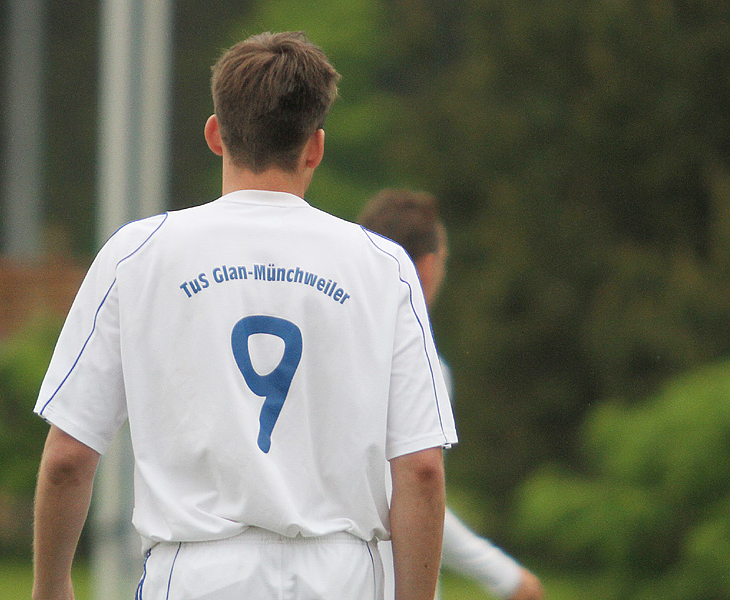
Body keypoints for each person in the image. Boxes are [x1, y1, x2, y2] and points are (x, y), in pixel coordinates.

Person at [31, 32, 457, 600]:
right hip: (342, 575)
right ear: (315, 147)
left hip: (196, 573)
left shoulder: (139, 253)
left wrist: (50, 589)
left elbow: (68, 457)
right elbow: (422, 470)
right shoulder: (384, 268)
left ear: (215, 134)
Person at [358, 189, 545, 600]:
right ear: (427, 267)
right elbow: (416, 483)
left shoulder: (336, 350)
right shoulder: (423, 367)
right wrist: (505, 577)